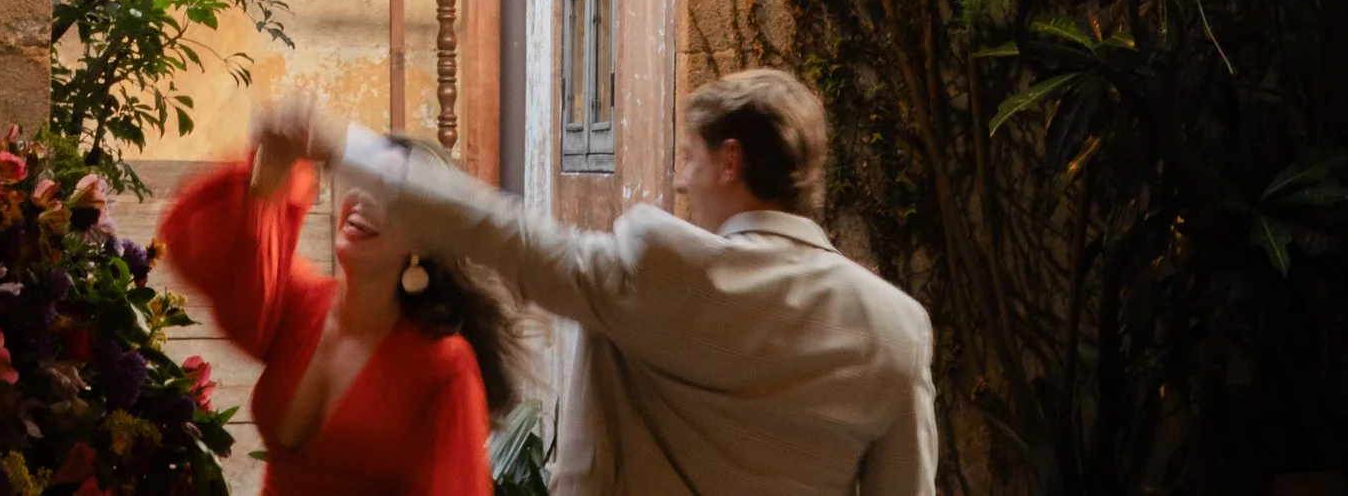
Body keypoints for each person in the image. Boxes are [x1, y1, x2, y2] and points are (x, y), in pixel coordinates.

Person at [264, 68, 937, 496]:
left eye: (687, 158)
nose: (677, 179)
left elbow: (508, 235)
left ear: (730, 161)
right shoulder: (895, 326)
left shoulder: (660, 268)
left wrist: (343, 145)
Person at [159, 98, 528, 496]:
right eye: (365, 183)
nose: (365, 201)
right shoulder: (304, 302)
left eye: (393, 199)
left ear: (426, 239)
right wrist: (263, 183)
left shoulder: (443, 366)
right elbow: (197, 252)